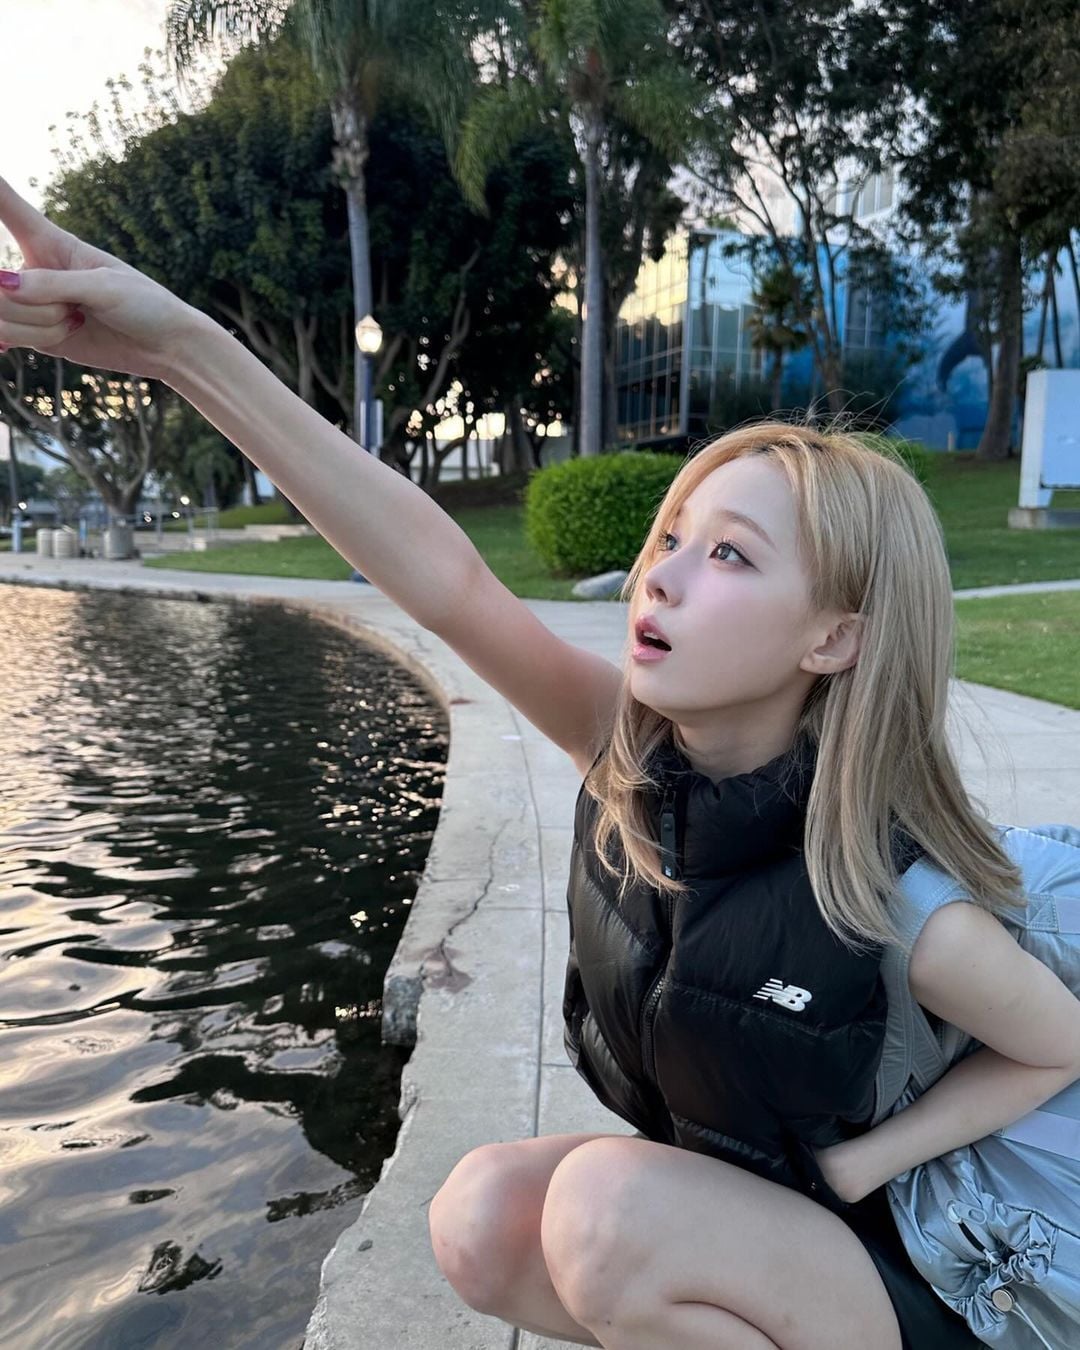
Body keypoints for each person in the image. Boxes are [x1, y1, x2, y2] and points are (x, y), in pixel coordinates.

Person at [2, 175, 1079, 1350]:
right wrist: (177, 348)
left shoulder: (899, 903)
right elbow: (446, 582)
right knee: (484, 1217)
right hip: (770, 1224)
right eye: (674, 536)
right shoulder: (634, 761)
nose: (662, 576)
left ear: (835, 638)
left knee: (609, 1221)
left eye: (730, 556)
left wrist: (869, 1162)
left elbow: (1057, 1043)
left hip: (924, 1277)